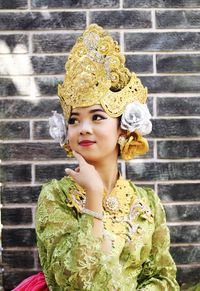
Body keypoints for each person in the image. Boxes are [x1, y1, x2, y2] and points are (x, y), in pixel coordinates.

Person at [13, 24, 180, 291]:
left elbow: (163, 278)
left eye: (97, 117)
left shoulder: (147, 203)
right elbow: (76, 282)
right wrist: (93, 196)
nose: (84, 128)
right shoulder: (55, 197)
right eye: (74, 120)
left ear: (122, 127)